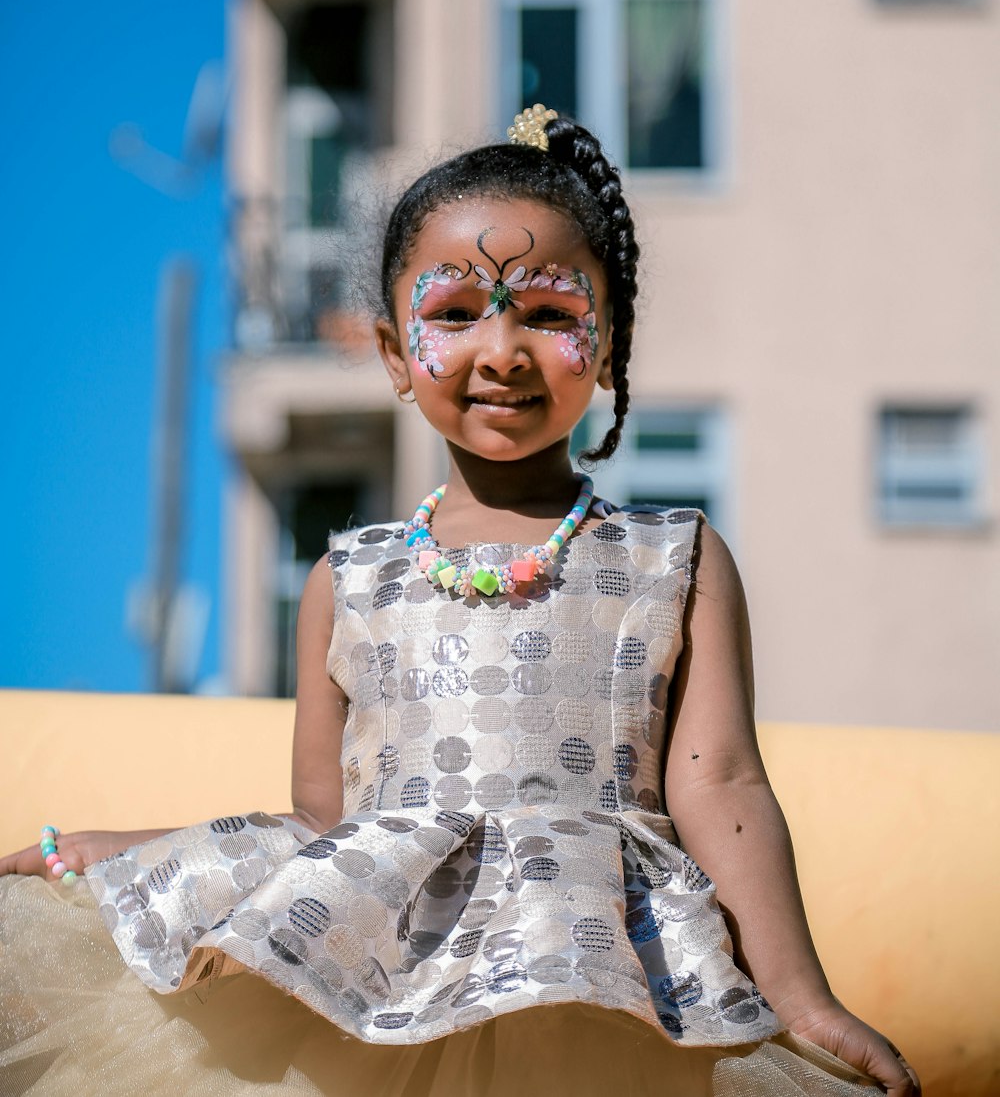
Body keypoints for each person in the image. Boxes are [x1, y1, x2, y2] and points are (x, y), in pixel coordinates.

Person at [1, 110, 919, 1097]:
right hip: (386, 997)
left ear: (606, 347)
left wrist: (801, 996)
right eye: (456, 314)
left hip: (604, 984)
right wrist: (129, 852)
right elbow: (323, 826)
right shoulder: (347, 582)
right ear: (396, 355)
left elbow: (724, 789)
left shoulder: (673, 560)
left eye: (549, 313)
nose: (504, 349)